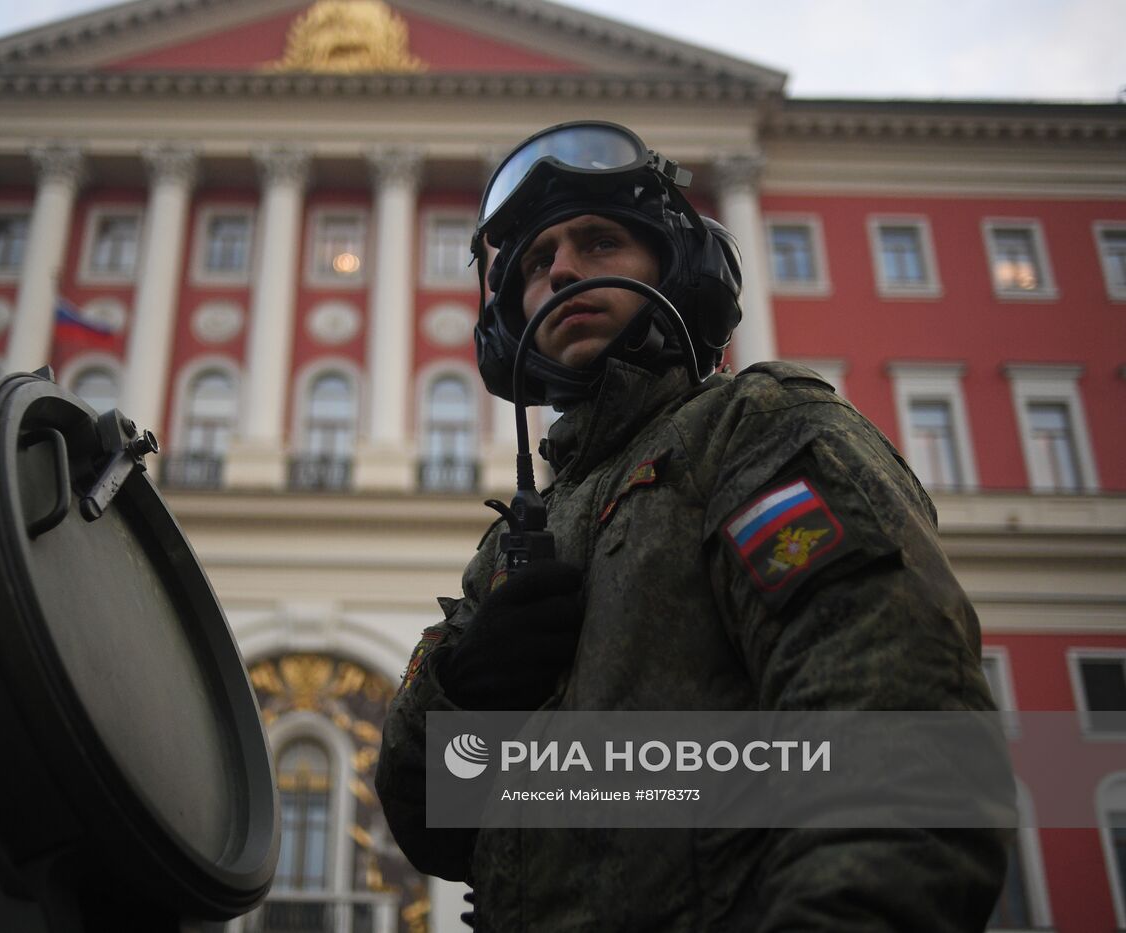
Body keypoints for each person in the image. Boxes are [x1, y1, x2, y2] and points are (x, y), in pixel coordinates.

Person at [375, 121, 1007, 931]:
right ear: (511, 322)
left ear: (678, 267)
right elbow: (428, 821)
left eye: (600, 241)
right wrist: (462, 690)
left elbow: (893, 724)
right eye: (537, 262)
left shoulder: (755, 431)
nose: (563, 268)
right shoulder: (509, 545)